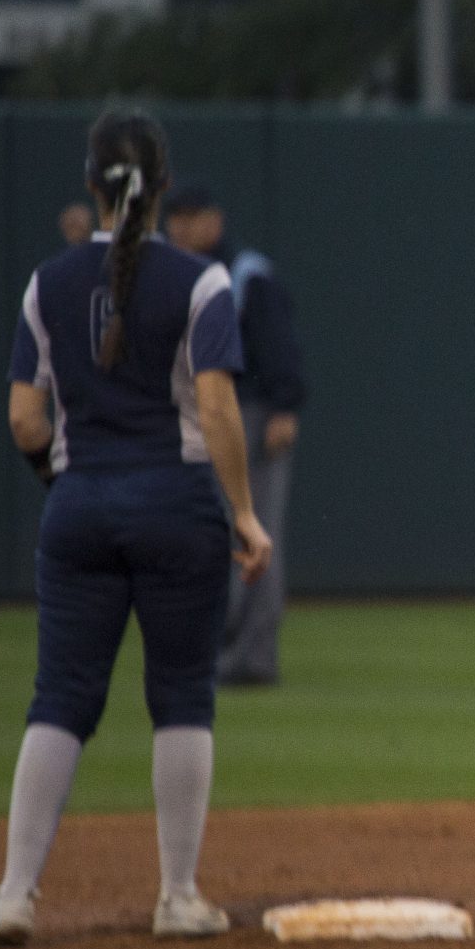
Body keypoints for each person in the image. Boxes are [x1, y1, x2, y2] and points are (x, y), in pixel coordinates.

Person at [0, 113, 273, 947]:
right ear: (164, 188)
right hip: (176, 506)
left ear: (93, 186)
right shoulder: (201, 283)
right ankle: (177, 896)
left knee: (59, 697)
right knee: (181, 697)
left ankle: (14, 893)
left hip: (81, 504)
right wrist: (242, 511)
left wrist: (67, 488)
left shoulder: (46, 283)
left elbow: (26, 419)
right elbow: (215, 404)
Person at [162, 182, 307, 686]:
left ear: (214, 220)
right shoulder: (176, 272)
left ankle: (254, 656)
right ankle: (216, 650)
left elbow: (279, 346)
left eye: (191, 216)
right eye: (174, 216)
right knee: (212, 534)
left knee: (255, 530)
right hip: (198, 412)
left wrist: (284, 408)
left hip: (250, 412)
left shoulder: (246, 273)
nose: (180, 226)